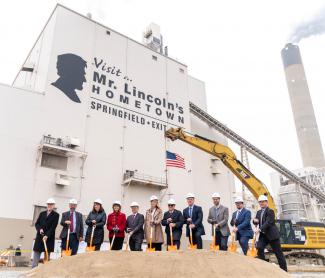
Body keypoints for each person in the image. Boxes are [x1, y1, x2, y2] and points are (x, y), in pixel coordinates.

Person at [253, 195, 287, 272]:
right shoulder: (258, 212)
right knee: (259, 248)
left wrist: (260, 229)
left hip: (272, 236)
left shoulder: (270, 211)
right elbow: (257, 221)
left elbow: (269, 222)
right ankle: (263, 267)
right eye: (260, 202)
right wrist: (254, 221)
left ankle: (284, 271)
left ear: (266, 202)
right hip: (263, 236)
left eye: (262, 202)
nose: (261, 203)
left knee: (278, 253)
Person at [32, 198, 59, 268]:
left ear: (53, 205)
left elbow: (53, 227)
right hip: (39, 237)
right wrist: (39, 229)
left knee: (47, 257)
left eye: (51, 204)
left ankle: (45, 271)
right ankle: (33, 269)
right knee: (36, 254)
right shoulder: (42, 213)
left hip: (48, 239)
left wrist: (47, 236)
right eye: (48, 204)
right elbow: (37, 223)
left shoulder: (56, 215)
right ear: (47, 205)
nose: (49, 205)